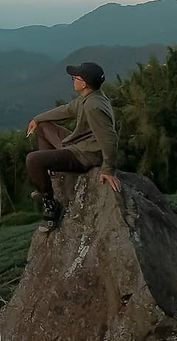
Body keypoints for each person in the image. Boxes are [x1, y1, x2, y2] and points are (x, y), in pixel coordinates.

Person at [25, 61, 120, 231]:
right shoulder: (91, 97)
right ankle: (50, 175)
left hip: (85, 155)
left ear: (84, 83)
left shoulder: (93, 106)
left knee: (33, 160)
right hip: (78, 144)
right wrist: (37, 119)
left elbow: (109, 139)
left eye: (75, 78)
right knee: (43, 127)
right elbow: (67, 110)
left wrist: (108, 169)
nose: (73, 80)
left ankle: (51, 205)